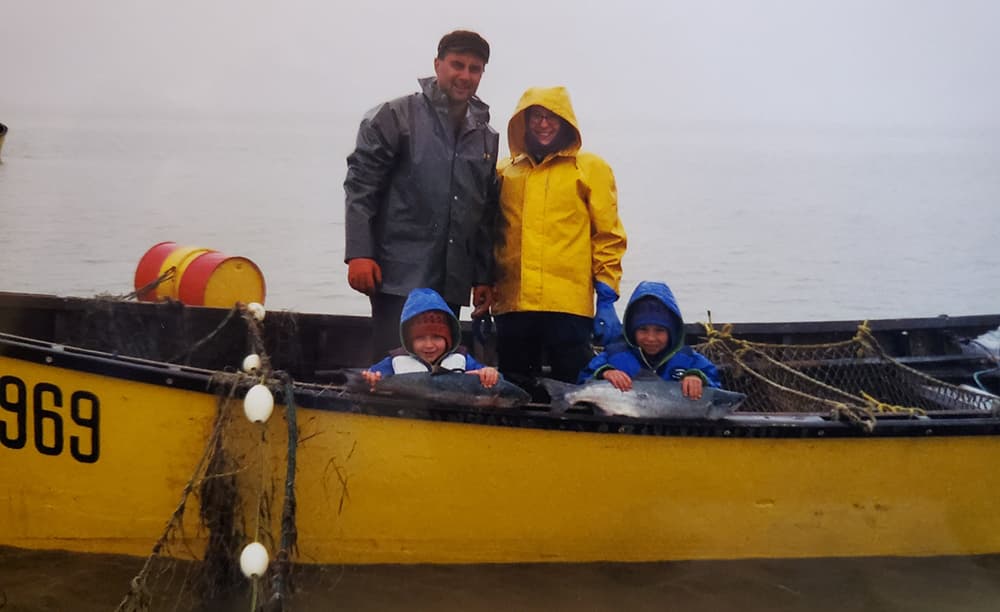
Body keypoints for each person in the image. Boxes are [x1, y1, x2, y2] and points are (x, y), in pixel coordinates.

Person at [344, 30, 500, 361]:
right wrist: (359, 252)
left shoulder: (485, 136)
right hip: (397, 276)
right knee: (395, 363)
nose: (465, 76)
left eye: (475, 69)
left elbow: (484, 212)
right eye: (457, 65)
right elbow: (361, 185)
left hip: (451, 280)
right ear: (437, 64)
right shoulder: (394, 116)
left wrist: (483, 276)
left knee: (440, 365)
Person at [491, 86, 627, 383]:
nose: (543, 124)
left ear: (566, 121)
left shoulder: (590, 168)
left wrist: (606, 293)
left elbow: (608, 235)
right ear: (523, 122)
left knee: (574, 386)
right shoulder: (504, 171)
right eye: (536, 116)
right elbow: (490, 234)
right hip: (513, 303)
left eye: (552, 117)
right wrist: (483, 287)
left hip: (568, 307)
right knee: (515, 386)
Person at [578, 281, 720, 398]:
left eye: (659, 330)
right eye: (643, 330)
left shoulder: (690, 360)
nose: (651, 338)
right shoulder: (613, 356)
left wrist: (698, 377)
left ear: (672, 332)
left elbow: (716, 384)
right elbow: (584, 379)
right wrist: (604, 373)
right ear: (631, 330)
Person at [362, 287, 499, 389]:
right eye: (420, 338)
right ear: (408, 340)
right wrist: (371, 379)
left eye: (437, 337)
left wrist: (489, 373)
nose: (429, 345)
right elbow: (370, 376)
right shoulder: (394, 362)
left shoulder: (463, 359)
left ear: (449, 339)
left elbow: (499, 381)